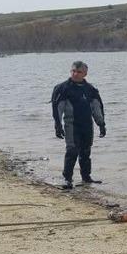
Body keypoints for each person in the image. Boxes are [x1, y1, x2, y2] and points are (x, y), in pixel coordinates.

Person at [51, 61, 106, 189]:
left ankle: (86, 177)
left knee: (86, 152)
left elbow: (96, 107)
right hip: (71, 125)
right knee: (72, 151)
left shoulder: (90, 89)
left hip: (87, 124)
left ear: (85, 73)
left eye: (79, 72)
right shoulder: (63, 88)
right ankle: (67, 179)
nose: (75, 74)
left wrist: (101, 124)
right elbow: (58, 108)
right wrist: (57, 125)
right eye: (73, 71)